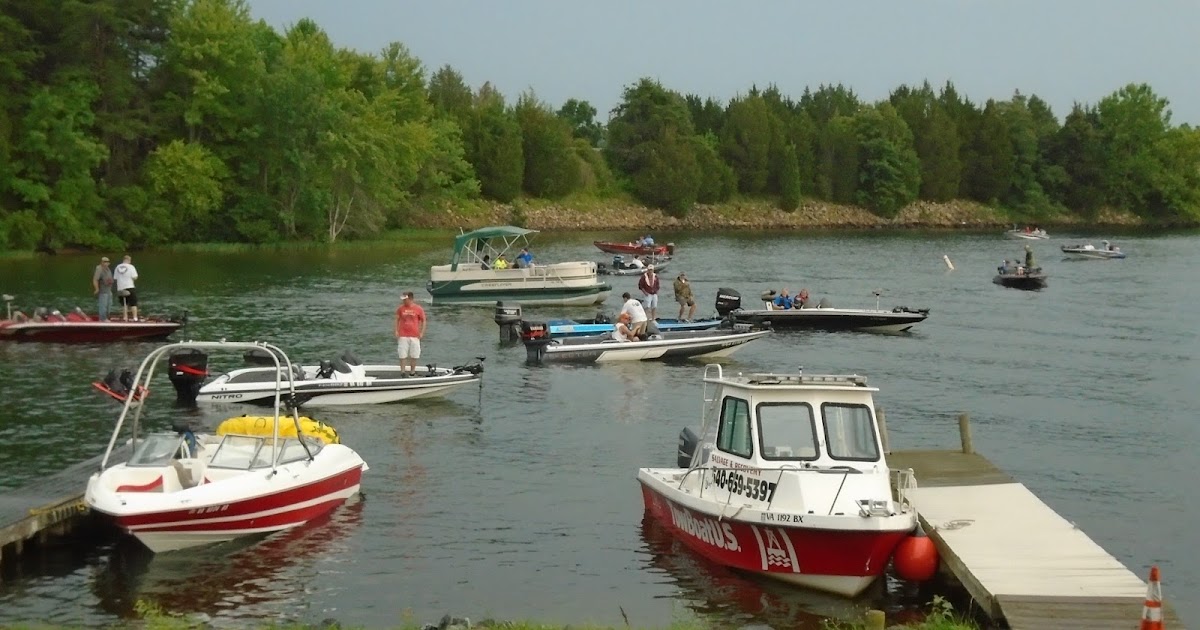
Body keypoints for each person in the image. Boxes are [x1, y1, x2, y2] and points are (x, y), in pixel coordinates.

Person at [394, 291, 427, 376]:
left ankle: (412, 372)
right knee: (402, 354)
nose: (404, 301)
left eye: (405, 299)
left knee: (415, 354)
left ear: (410, 299)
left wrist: (422, 332)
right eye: (403, 300)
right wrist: (396, 330)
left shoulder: (418, 308)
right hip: (403, 334)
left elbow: (423, 320)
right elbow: (397, 319)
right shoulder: (400, 308)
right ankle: (403, 372)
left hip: (414, 335)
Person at [112, 254, 139, 321]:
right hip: (129, 286)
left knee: (124, 304)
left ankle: (125, 317)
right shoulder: (131, 267)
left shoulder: (117, 267)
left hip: (120, 288)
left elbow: (115, 278)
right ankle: (135, 318)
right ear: (129, 260)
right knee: (133, 303)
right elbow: (135, 277)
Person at [92, 256, 114, 321]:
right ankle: (102, 319)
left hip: (109, 290)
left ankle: (106, 317)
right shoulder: (99, 269)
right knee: (103, 306)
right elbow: (95, 279)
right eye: (105, 262)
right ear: (101, 262)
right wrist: (96, 289)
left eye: (107, 262)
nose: (106, 263)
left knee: (109, 305)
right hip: (103, 291)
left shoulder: (108, 269)